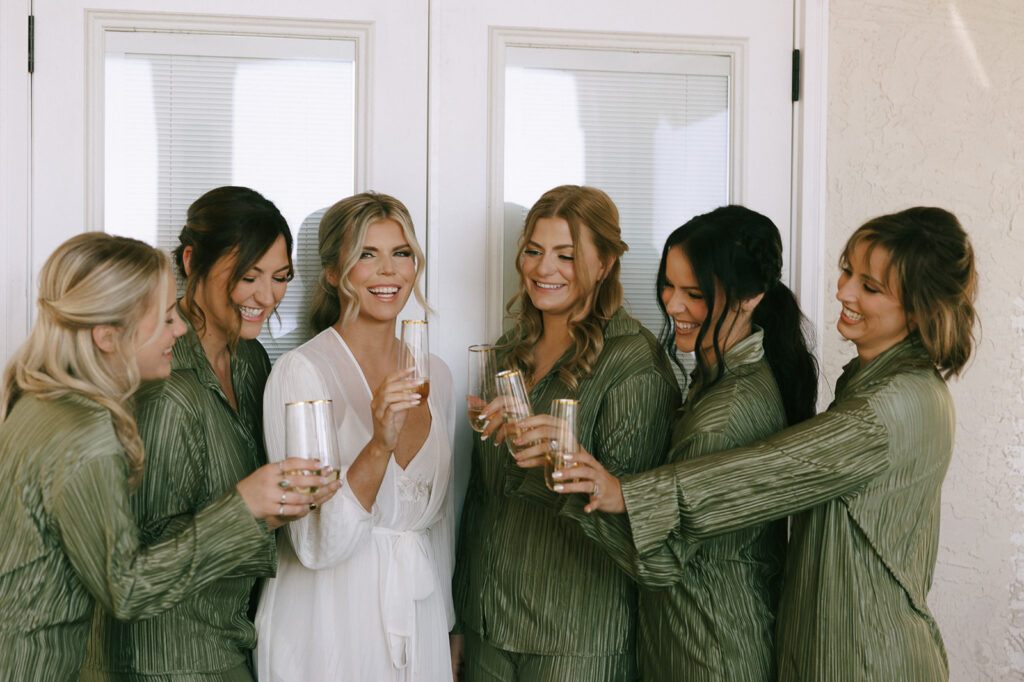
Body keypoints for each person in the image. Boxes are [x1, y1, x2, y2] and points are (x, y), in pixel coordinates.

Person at [559, 207, 977, 681]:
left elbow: (770, 469)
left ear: (921, 307)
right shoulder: (876, 380)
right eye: (847, 271)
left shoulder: (891, 406)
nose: (843, 291)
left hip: (867, 660)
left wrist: (621, 493)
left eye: (870, 286)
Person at [512, 205, 817, 680]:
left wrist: (564, 473)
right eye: (669, 286)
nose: (673, 306)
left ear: (751, 297)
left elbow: (659, 560)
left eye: (694, 293)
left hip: (706, 649)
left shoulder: (726, 412)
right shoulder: (719, 376)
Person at [0, 233, 321, 681]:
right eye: (167, 317)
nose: (181, 328)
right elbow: (127, 589)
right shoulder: (85, 432)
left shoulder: (40, 400)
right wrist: (242, 509)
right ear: (108, 336)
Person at [82, 187, 339, 682]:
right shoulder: (163, 384)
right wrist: (250, 508)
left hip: (234, 638)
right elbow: (135, 567)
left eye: (281, 277)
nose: (267, 297)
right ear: (192, 260)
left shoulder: (253, 362)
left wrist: (289, 501)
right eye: (248, 276)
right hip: (163, 660)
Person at [453, 185, 680, 681]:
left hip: (576, 642)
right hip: (490, 632)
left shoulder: (634, 366)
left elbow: (639, 533)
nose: (542, 268)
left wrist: (552, 470)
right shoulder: (507, 352)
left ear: (604, 265)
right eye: (533, 251)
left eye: (566, 254)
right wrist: (462, 618)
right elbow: (481, 499)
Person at [254, 192, 457, 681]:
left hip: (418, 614)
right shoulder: (300, 373)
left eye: (401, 253)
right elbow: (313, 543)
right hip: (327, 621)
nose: (388, 271)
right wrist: (380, 443)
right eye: (367, 255)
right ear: (332, 271)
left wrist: (450, 627)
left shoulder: (438, 377)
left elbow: (443, 524)